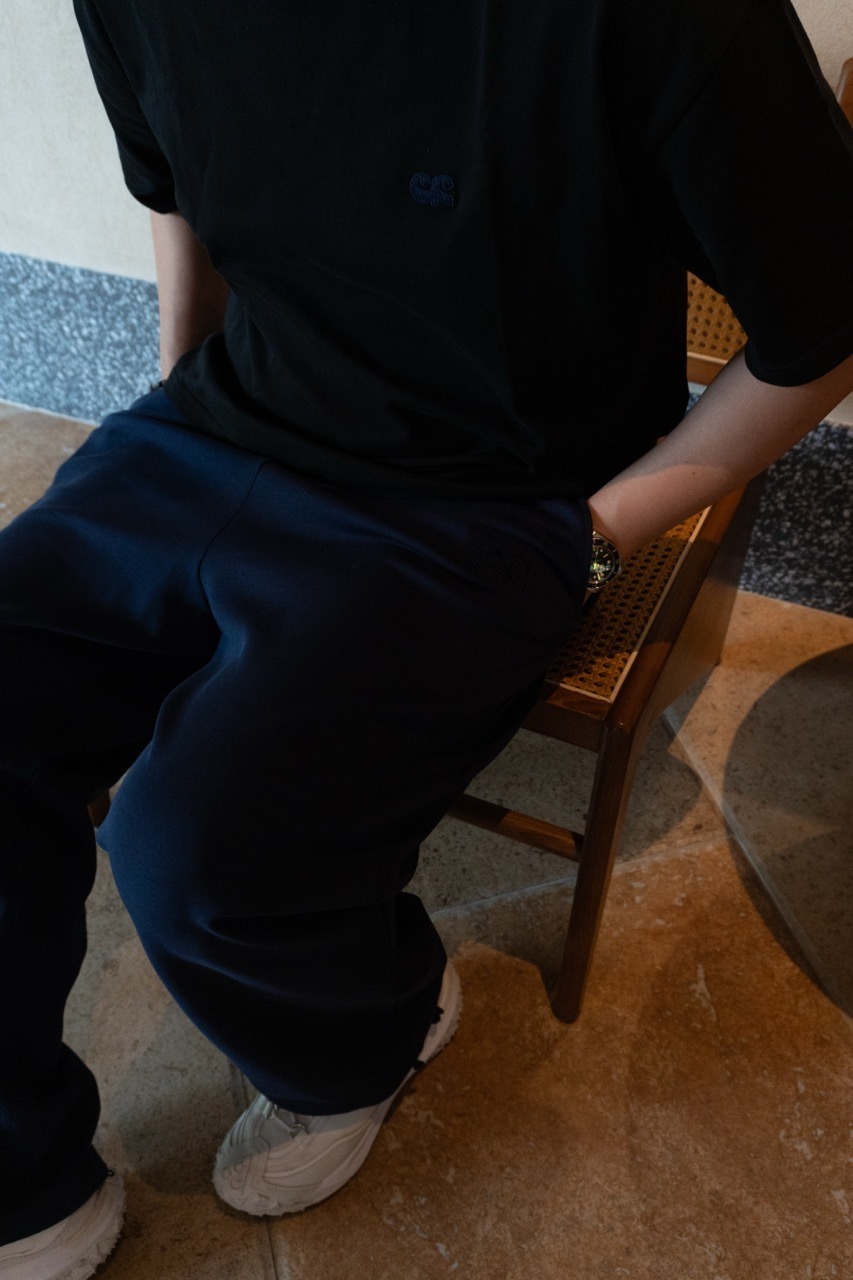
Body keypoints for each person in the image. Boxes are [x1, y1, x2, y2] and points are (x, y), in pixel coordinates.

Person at [2, 0, 852, 1274]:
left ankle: (369, 1038)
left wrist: (595, 534)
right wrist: (182, 398)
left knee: (197, 849)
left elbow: (823, 322)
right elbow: (174, 184)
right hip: (222, 421)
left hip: (489, 495)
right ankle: (21, 1172)